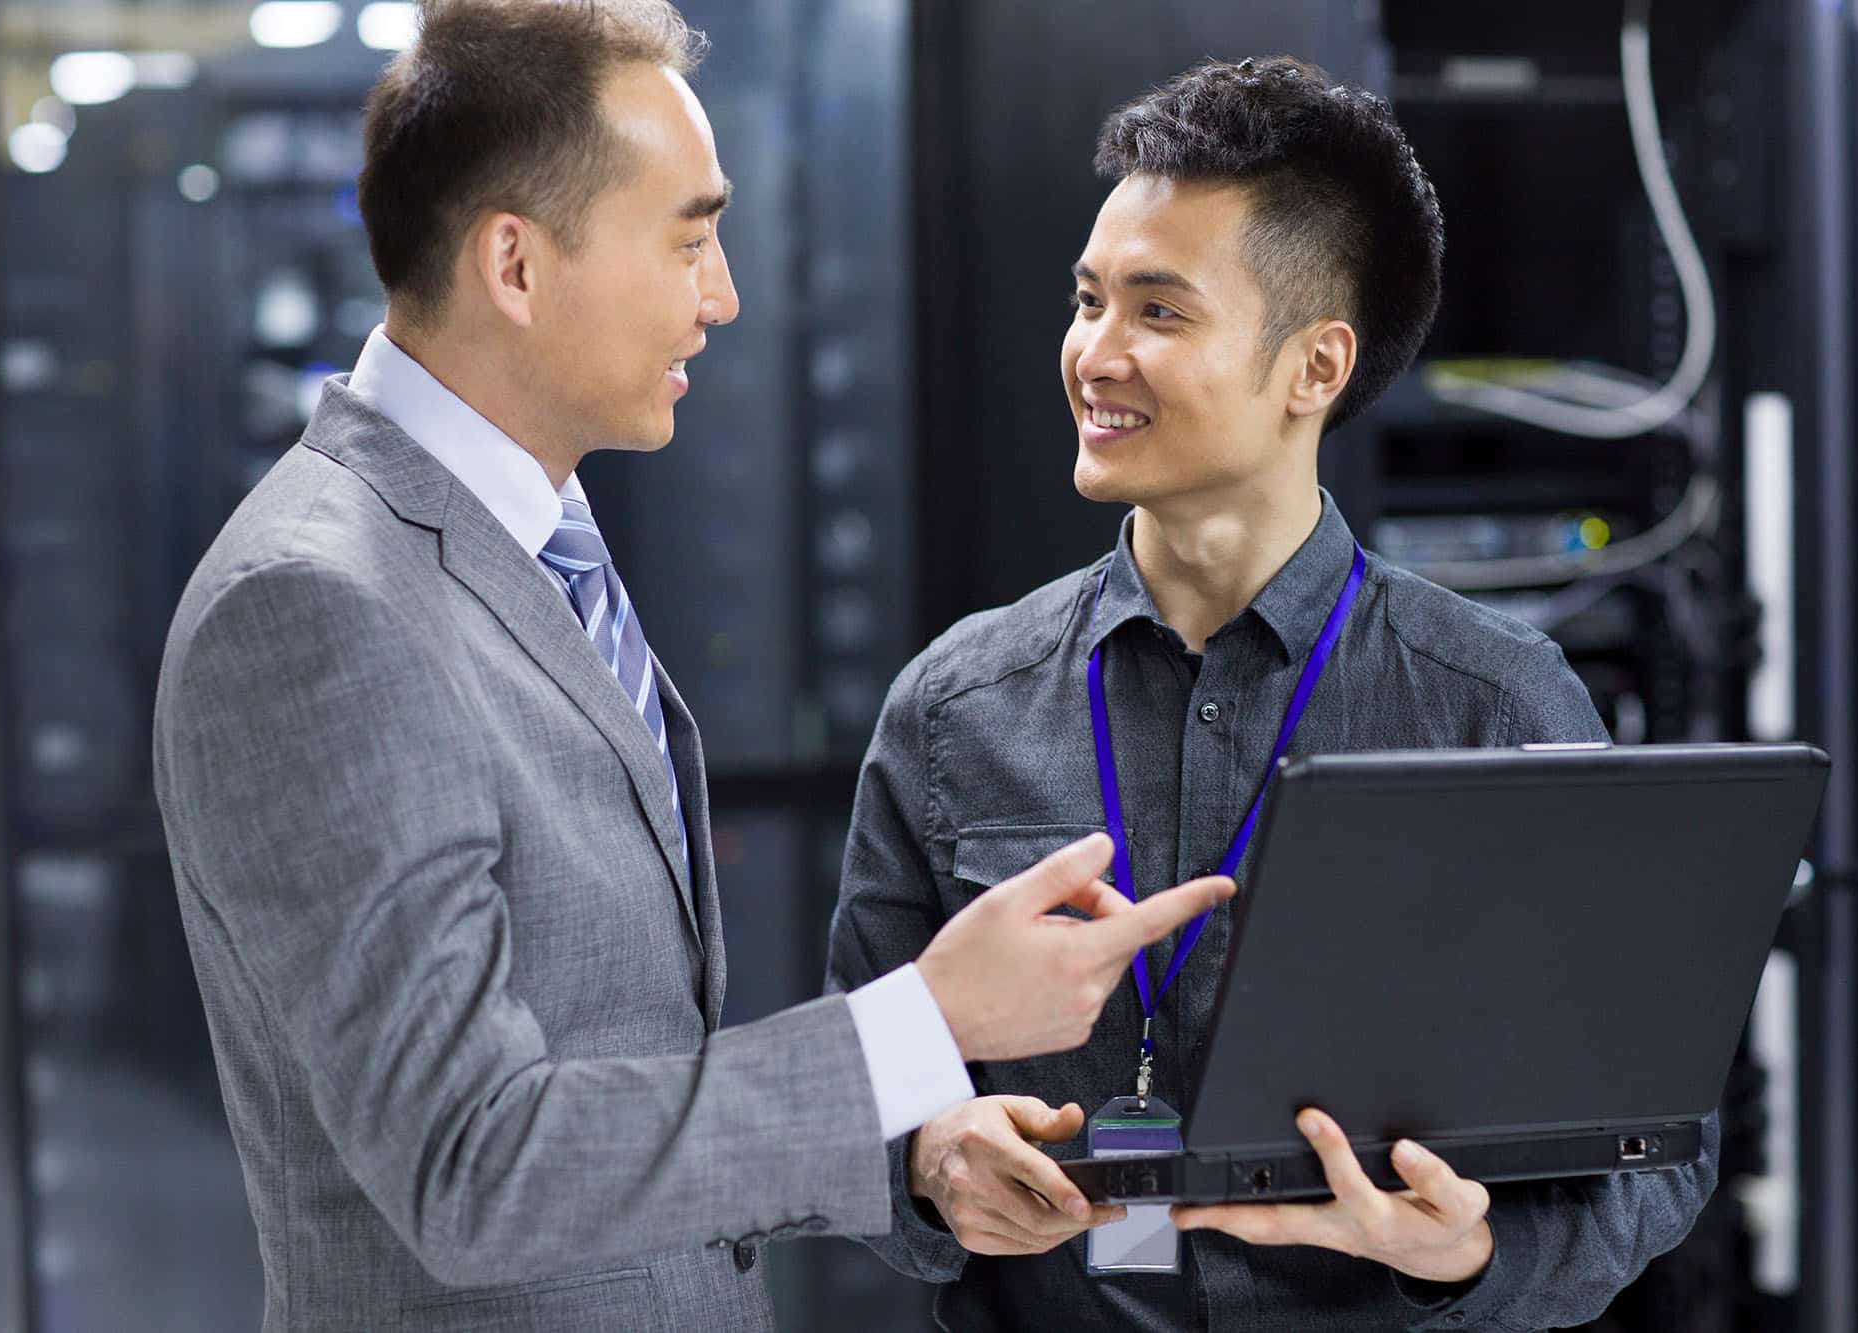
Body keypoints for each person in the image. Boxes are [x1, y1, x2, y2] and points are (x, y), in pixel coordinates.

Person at [149, 3, 1232, 1329]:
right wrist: (922, 1022)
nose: (723, 294)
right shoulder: (321, 602)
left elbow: (613, 1064)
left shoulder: (530, 544)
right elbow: (468, 1165)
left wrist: (913, 1140)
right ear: (516, 264)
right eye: (691, 235)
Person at [825, 56, 1715, 1331]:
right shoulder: (954, 706)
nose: (1095, 353)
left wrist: (1469, 1256)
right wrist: (923, 1166)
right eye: (1087, 301)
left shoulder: (1492, 706)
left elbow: (1658, 1148)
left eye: (1159, 311)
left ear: (1314, 366)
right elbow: (845, 1096)